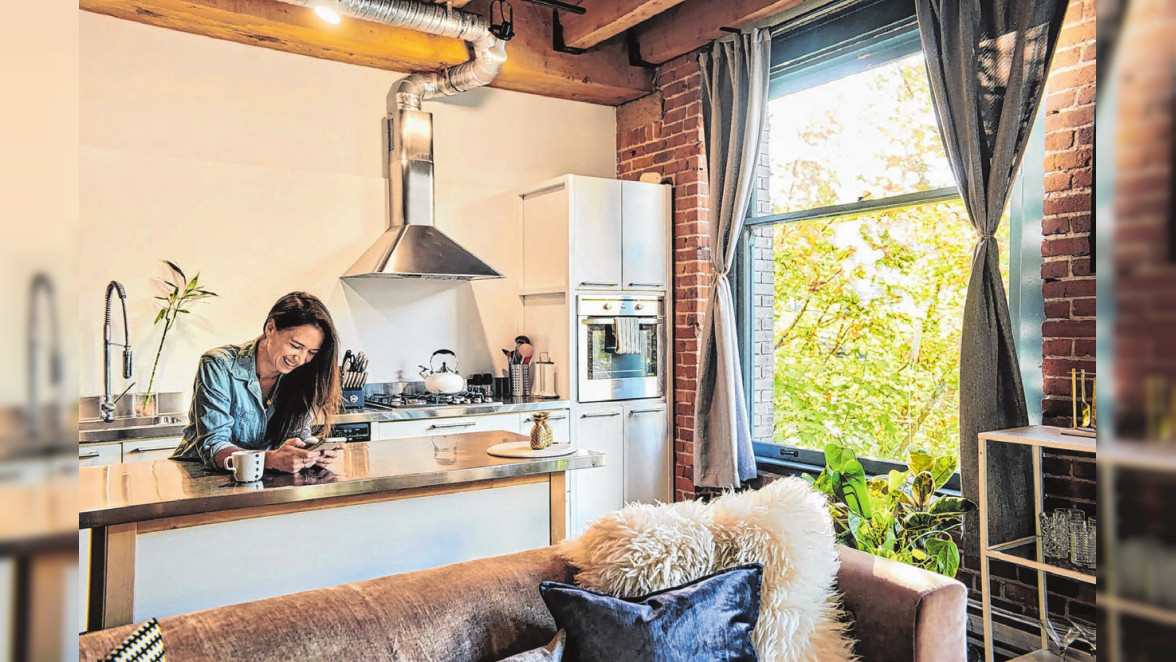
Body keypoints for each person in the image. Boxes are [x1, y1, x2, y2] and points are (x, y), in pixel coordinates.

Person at [171, 291, 343, 473]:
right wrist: (270, 459)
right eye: (295, 346)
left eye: (311, 352)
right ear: (270, 328)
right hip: (201, 477)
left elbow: (297, 435)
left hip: (260, 478)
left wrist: (310, 452)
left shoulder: (301, 375)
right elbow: (214, 446)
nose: (300, 359)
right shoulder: (219, 364)